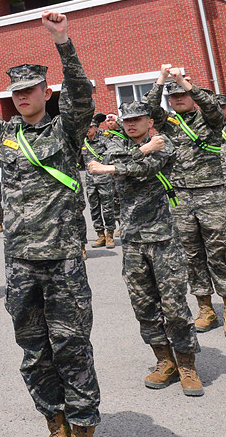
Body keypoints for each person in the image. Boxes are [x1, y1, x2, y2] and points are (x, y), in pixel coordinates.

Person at [0, 9, 100, 436]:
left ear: (44, 91)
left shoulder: (65, 131)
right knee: (33, 350)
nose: (22, 97)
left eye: (30, 89)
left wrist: (63, 42)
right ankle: (55, 419)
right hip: (20, 264)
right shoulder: (3, 136)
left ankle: (83, 423)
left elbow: (81, 97)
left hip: (63, 261)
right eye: (16, 92)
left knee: (72, 346)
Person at [88, 101, 203, 396]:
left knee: (175, 305)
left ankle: (187, 364)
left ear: (148, 120)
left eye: (137, 119)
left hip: (163, 239)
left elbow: (141, 169)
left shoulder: (163, 145)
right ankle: (164, 361)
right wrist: (139, 152)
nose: (131, 124)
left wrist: (120, 164)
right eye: (126, 120)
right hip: (133, 242)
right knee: (144, 306)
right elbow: (121, 167)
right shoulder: (115, 146)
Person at [145, 66, 226, 334]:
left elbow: (213, 107)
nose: (178, 99)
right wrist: (162, 79)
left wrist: (182, 81)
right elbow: (149, 108)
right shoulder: (168, 123)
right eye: (174, 96)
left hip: (211, 192)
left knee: (219, 252)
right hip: (179, 196)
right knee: (191, 254)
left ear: (191, 96)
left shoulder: (209, 120)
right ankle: (205, 307)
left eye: (182, 95)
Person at [81, 113, 117, 249]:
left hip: (105, 179)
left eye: (91, 127)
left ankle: (110, 235)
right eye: (86, 127)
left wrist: (105, 165)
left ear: (96, 128)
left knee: (108, 208)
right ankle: (100, 235)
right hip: (90, 180)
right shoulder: (83, 142)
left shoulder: (103, 140)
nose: (88, 130)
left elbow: (113, 150)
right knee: (94, 209)